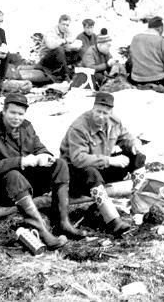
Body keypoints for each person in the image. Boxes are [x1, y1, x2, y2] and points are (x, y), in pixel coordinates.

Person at [0, 93, 87, 250]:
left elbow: (38, 147)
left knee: (59, 164)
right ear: (4, 111)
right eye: (12, 113)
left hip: (17, 186)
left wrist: (45, 156)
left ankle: (63, 223)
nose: (17, 118)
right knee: (13, 175)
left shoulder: (26, 127)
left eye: (21, 114)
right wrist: (21, 161)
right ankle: (43, 233)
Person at [60, 91, 145, 237]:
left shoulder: (114, 122)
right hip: (74, 175)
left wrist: (134, 143)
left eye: (105, 113)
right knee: (91, 172)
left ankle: (138, 206)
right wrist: (110, 160)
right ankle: (113, 221)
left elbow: (125, 138)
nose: (101, 116)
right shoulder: (79, 127)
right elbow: (78, 159)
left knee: (137, 157)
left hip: (100, 167)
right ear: (93, 108)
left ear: (110, 112)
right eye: (98, 111)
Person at [127, 16, 164, 95]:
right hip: (156, 79)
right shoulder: (161, 41)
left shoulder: (135, 38)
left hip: (136, 78)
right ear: (160, 28)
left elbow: (131, 59)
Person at [39, 14, 82, 82]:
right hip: (47, 59)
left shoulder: (67, 32)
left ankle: (77, 72)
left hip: (59, 58)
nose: (65, 27)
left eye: (67, 25)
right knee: (59, 49)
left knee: (80, 51)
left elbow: (75, 43)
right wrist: (65, 41)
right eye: (63, 24)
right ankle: (66, 76)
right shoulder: (51, 31)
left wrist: (71, 45)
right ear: (59, 23)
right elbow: (51, 45)